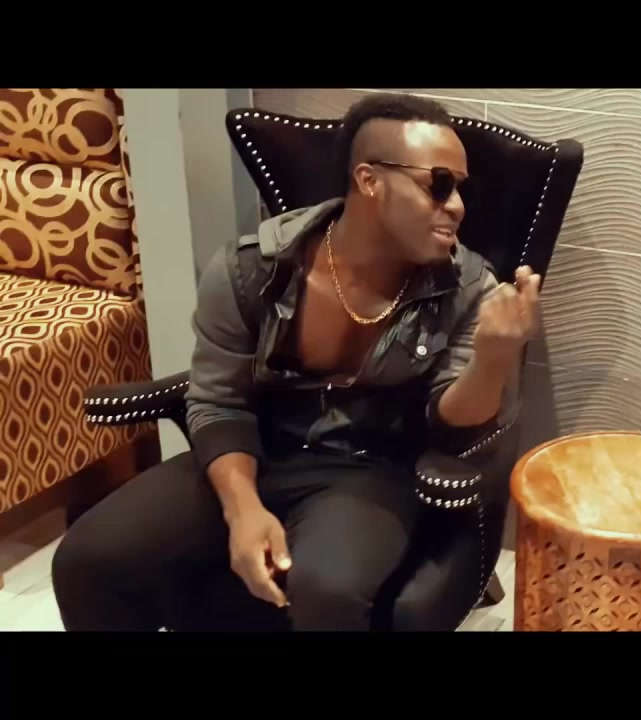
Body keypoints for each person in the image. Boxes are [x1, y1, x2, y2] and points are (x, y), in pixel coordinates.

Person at [51, 92, 539, 631]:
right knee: (87, 559)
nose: (458, 206)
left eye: (462, 189)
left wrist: (493, 359)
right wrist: (243, 510)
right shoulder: (252, 270)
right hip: (260, 449)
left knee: (326, 589)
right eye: (439, 184)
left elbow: (450, 425)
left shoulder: (468, 287)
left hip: (370, 466)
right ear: (369, 180)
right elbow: (219, 400)